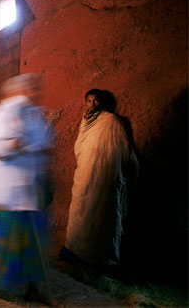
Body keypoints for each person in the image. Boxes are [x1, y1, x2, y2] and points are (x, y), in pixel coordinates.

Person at [0, 73, 54, 304]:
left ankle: (33, 287)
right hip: (2, 194)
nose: (34, 94)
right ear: (14, 93)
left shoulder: (37, 118)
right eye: (29, 89)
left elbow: (45, 145)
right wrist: (11, 145)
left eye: (36, 89)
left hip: (29, 193)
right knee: (1, 245)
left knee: (32, 244)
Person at [61, 89, 139, 267]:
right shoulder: (86, 122)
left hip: (104, 175)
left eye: (95, 101)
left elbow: (121, 150)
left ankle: (101, 259)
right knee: (80, 211)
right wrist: (85, 122)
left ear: (101, 103)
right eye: (89, 101)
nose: (92, 105)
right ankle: (76, 251)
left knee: (104, 215)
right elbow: (79, 148)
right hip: (85, 175)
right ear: (85, 103)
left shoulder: (112, 121)